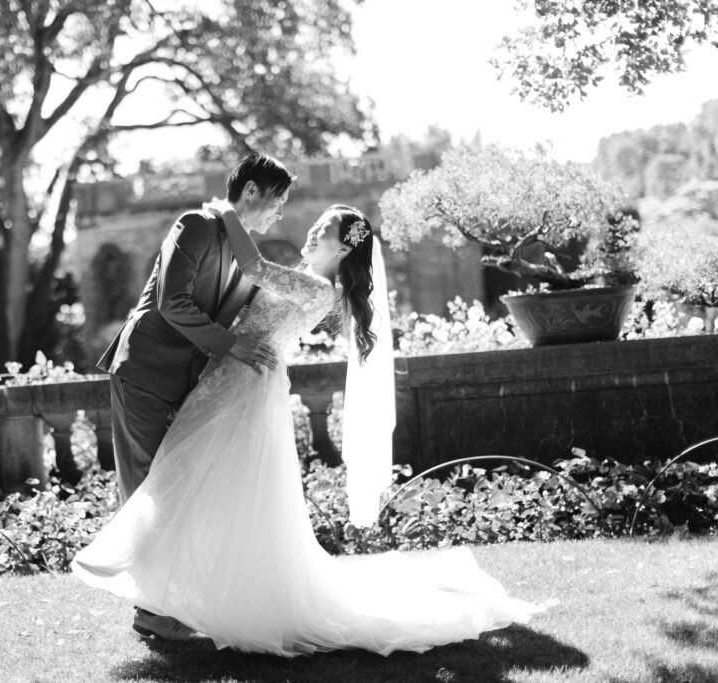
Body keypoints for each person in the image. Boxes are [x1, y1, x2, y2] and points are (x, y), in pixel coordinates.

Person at [75, 200, 549, 656]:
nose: (311, 233)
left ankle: (160, 593)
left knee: (194, 484)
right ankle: (171, 598)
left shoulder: (320, 290)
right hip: (226, 382)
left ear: (342, 249)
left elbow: (257, 269)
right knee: (197, 486)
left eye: (322, 230)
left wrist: (225, 214)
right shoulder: (306, 280)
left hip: (243, 391)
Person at [96, 152, 294, 640]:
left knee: (178, 488)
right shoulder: (197, 225)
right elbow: (172, 301)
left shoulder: (247, 256)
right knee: (145, 488)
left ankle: (171, 604)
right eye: (278, 202)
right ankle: (151, 612)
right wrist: (232, 346)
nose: (280, 215)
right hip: (144, 371)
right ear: (251, 191)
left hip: (188, 385)